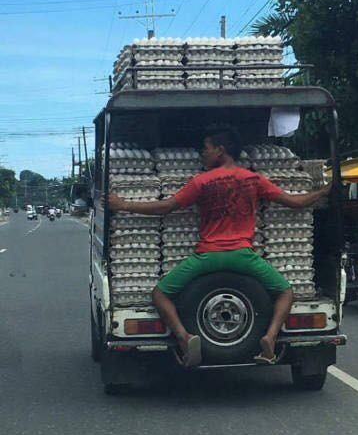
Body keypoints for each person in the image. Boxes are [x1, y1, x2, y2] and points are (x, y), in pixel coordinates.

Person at [107, 124, 331, 367]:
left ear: (220, 150)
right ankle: (269, 338)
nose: (202, 153)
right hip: (243, 256)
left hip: (208, 256)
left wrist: (123, 205)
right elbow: (295, 202)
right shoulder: (253, 179)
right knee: (285, 292)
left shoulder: (201, 182)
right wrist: (324, 191)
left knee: (160, 294)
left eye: (206, 148)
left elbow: (166, 207)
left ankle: (185, 338)